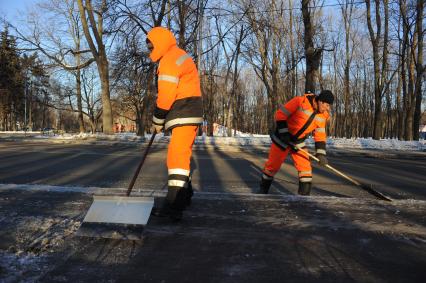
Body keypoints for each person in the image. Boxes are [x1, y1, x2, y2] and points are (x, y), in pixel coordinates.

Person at [146, 27, 203, 221]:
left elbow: (166, 95)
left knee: (177, 158)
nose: (149, 50)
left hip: (184, 111)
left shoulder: (169, 60)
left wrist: (158, 118)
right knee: (179, 157)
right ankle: (184, 196)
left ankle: (173, 207)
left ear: (159, 43)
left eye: (151, 46)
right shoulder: (177, 54)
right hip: (188, 111)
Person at [258, 90, 334, 196]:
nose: (328, 108)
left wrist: (321, 154)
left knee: (306, 169)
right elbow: (280, 114)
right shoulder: (300, 101)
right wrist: (284, 133)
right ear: (321, 101)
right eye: (327, 105)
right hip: (282, 139)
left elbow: (320, 135)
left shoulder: (323, 115)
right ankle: (262, 192)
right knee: (272, 167)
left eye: (329, 106)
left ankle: (304, 198)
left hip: (298, 142)